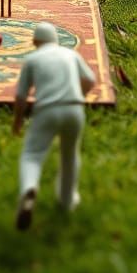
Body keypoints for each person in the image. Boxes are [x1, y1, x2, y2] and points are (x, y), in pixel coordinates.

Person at [12, 22, 97, 231]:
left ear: (34, 41)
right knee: (70, 155)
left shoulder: (32, 59)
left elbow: (21, 96)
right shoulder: (70, 54)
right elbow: (90, 80)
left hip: (47, 110)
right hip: (74, 109)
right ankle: (67, 201)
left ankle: (29, 190)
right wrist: (80, 97)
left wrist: (18, 120)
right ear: (55, 40)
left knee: (32, 154)